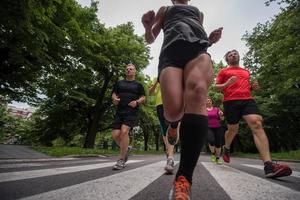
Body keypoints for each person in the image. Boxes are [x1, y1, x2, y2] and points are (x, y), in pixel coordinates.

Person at [142, 0, 223, 199]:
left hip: (198, 51)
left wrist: (210, 40)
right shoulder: (166, 9)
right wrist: (147, 27)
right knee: (173, 111)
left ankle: (183, 178)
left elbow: (199, 35)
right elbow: (150, 39)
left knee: (198, 92)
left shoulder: (198, 12)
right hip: (170, 53)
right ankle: (173, 124)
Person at [215, 49, 292, 178]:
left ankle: (269, 166)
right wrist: (227, 83)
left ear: (239, 57)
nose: (233, 55)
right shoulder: (224, 71)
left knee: (257, 123)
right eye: (230, 55)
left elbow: (244, 87)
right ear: (227, 59)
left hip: (247, 100)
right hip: (230, 102)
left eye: (235, 54)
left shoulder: (246, 72)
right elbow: (216, 87)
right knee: (233, 129)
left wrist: (252, 88)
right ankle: (226, 147)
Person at [111, 63, 145, 170]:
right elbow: (114, 94)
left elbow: (143, 97)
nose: (129, 70)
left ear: (135, 71)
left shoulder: (138, 85)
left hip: (131, 111)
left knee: (124, 131)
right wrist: (114, 99)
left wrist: (137, 102)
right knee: (116, 135)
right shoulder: (119, 83)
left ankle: (121, 160)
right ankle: (126, 148)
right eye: (127, 69)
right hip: (119, 111)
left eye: (131, 69)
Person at [149, 78, 175, 174]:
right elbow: (150, 92)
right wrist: (156, 82)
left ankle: (170, 157)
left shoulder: (173, 74)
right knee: (165, 130)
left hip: (172, 103)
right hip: (160, 105)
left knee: (172, 128)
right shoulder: (156, 78)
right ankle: (169, 152)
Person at [206, 97, 224, 165]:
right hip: (208, 127)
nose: (208, 102)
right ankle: (213, 154)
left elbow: (222, 119)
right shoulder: (203, 110)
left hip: (218, 127)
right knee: (211, 140)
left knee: (218, 144)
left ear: (212, 102)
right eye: (207, 101)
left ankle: (218, 158)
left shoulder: (217, 109)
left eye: (209, 100)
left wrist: (221, 115)